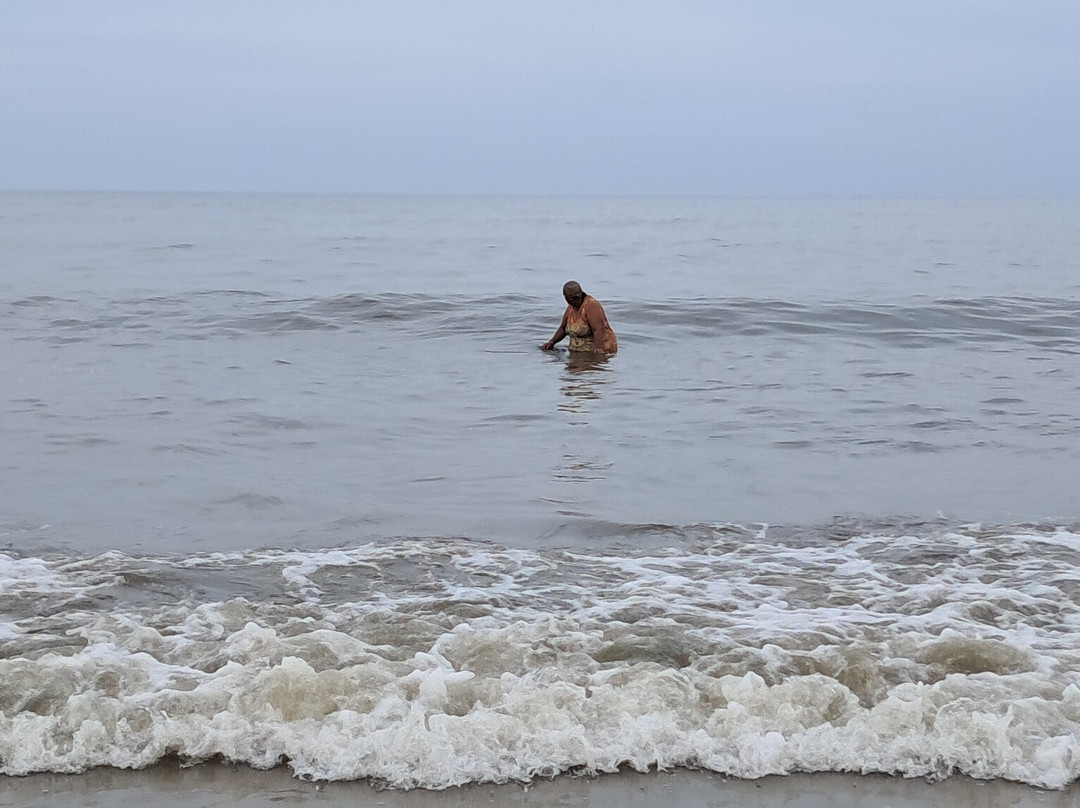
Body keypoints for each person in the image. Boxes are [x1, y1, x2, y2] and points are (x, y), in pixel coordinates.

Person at [540, 281, 618, 354]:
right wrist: (552, 342)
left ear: (568, 298)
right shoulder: (571, 308)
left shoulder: (592, 305)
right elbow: (563, 328)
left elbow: (599, 329)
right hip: (578, 352)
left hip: (595, 351)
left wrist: (599, 348)